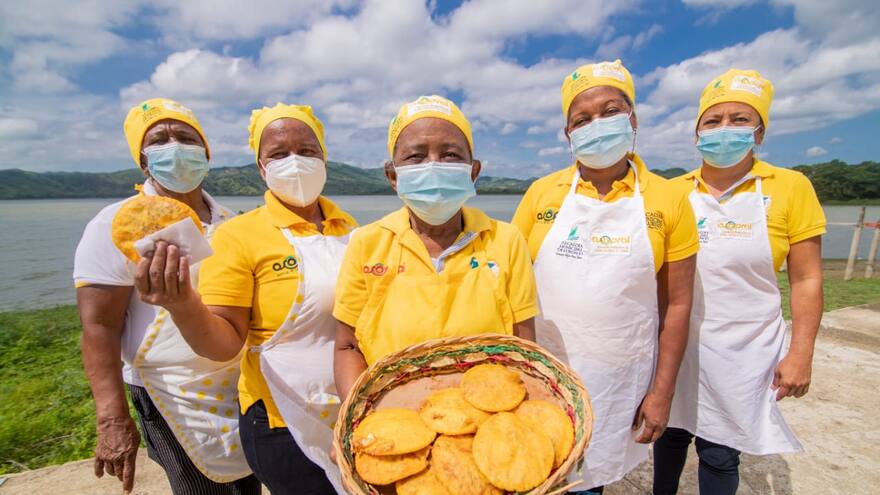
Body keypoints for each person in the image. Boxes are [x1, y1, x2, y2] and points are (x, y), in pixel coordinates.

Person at [133, 103, 357, 494]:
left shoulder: (352, 230)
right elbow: (224, 344)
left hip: (353, 407)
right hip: (281, 421)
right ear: (261, 167)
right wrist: (182, 304)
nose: (295, 161)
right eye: (279, 153)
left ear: (324, 158)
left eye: (307, 150)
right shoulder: (238, 235)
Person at [511, 60, 699, 494]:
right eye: (582, 119)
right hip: (543, 374)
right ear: (568, 134)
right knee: (530, 469)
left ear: (632, 119)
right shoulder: (541, 193)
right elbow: (511, 283)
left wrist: (662, 392)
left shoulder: (669, 199)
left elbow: (677, 304)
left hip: (617, 380)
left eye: (610, 111)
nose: (596, 125)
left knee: (588, 480)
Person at [653, 69, 826, 495]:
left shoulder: (790, 187)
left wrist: (801, 353)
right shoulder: (672, 191)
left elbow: (806, 278)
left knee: (720, 450)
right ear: (697, 133)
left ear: (759, 132)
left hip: (743, 347)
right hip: (677, 340)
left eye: (739, 119)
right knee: (668, 434)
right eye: (713, 121)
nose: (724, 129)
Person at [74, 98, 258, 494]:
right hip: (171, 392)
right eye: (159, 140)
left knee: (247, 483)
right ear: (144, 162)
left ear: (206, 153)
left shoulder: (232, 222)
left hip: (236, 383)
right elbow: (99, 325)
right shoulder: (113, 225)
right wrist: (111, 418)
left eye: (187, 138)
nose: (175, 147)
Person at [333, 95, 538, 399]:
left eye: (450, 154)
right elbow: (348, 346)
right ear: (393, 176)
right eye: (415, 156)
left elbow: (525, 347)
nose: (433, 166)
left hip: (485, 409)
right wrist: (360, 414)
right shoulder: (367, 242)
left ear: (473, 172)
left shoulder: (506, 240)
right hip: (390, 410)